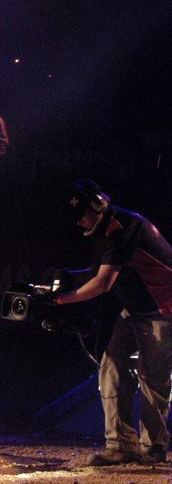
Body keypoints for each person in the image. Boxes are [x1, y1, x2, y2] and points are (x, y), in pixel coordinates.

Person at [54, 180, 172, 466]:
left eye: (83, 212)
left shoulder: (124, 227)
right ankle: (121, 444)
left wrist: (61, 300)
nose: (81, 220)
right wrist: (64, 280)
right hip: (135, 308)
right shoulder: (102, 229)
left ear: (98, 204)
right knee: (111, 363)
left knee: (153, 377)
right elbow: (99, 271)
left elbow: (104, 283)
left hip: (162, 308)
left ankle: (154, 448)